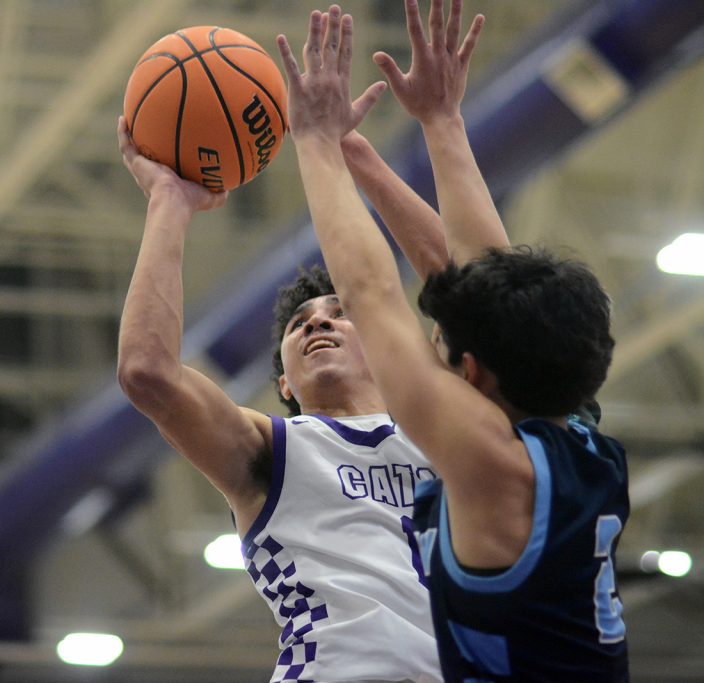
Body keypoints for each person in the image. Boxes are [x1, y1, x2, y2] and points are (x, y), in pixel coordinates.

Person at [278, 2, 630, 680]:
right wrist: (438, 125)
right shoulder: (576, 427)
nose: (432, 340)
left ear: (472, 373)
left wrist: (316, 145)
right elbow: (483, 279)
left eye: (442, 340)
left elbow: (372, 295)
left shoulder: (491, 464)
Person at [115, 59, 455, 683]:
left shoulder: (456, 432)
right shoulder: (272, 450)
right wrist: (169, 201)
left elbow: (471, 289)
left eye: (338, 313)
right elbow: (148, 374)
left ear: (385, 342)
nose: (315, 324)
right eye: (299, 325)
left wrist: (344, 148)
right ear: (284, 386)